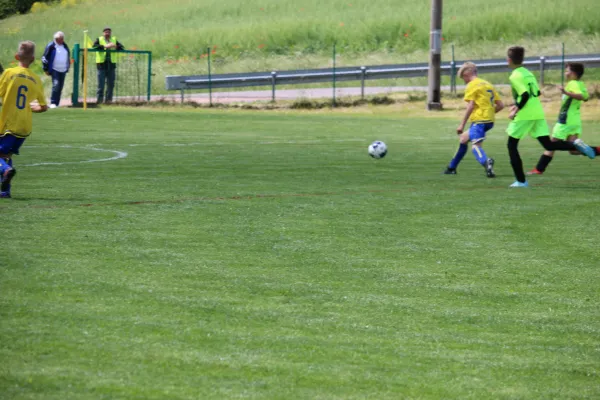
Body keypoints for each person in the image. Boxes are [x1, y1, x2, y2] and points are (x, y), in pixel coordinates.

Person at [505, 46, 595, 188]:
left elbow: (525, 95)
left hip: (526, 115)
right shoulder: (528, 73)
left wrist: (516, 110)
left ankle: (521, 181)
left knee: (512, 145)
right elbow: (536, 93)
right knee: (548, 144)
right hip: (538, 113)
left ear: (508, 60)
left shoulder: (515, 75)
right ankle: (575, 144)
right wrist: (516, 105)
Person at [527, 63, 600, 175]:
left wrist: (566, 92)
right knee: (573, 150)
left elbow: (581, 96)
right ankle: (597, 150)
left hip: (565, 121)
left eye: (567, 71)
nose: (565, 73)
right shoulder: (580, 84)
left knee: (551, 145)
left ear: (573, 73)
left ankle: (539, 169)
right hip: (574, 121)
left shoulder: (573, 83)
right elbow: (585, 97)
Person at [0, 41, 48, 198]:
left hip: (8, 122)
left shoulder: (8, 73)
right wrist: (33, 108)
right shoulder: (36, 79)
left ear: (16, 56)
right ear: (33, 59)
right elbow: (43, 106)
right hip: (25, 126)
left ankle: (5, 170)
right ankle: (5, 191)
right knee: (6, 156)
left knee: (3, 162)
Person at [444, 62, 504, 178]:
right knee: (463, 139)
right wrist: (489, 114)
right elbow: (500, 105)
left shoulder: (472, 85)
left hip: (479, 120)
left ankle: (486, 162)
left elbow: (470, 106)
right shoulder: (488, 84)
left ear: (467, 74)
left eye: (464, 78)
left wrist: (462, 124)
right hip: (489, 121)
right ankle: (451, 168)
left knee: (476, 146)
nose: (465, 81)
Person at [92, 27, 124, 104]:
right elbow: (94, 46)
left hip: (111, 65)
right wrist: (105, 46)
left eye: (109, 32)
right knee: (101, 85)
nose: (107, 33)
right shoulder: (99, 39)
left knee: (111, 85)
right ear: (103, 33)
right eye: (106, 32)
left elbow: (122, 47)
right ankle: (99, 101)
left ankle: (108, 101)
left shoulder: (114, 40)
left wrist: (115, 46)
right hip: (101, 65)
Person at [41, 31, 71, 108]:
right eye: (60, 39)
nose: (61, 40)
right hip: (55, 69)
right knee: (56, 85)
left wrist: (68, 66)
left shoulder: (65, 46)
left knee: (60, 87)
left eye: (62, 38)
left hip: (63, 69)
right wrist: (45, 68)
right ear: (56, 39)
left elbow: (67, 55)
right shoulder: (51, 46)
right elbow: (44, 58)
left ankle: (57, 103)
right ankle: (53, 102)